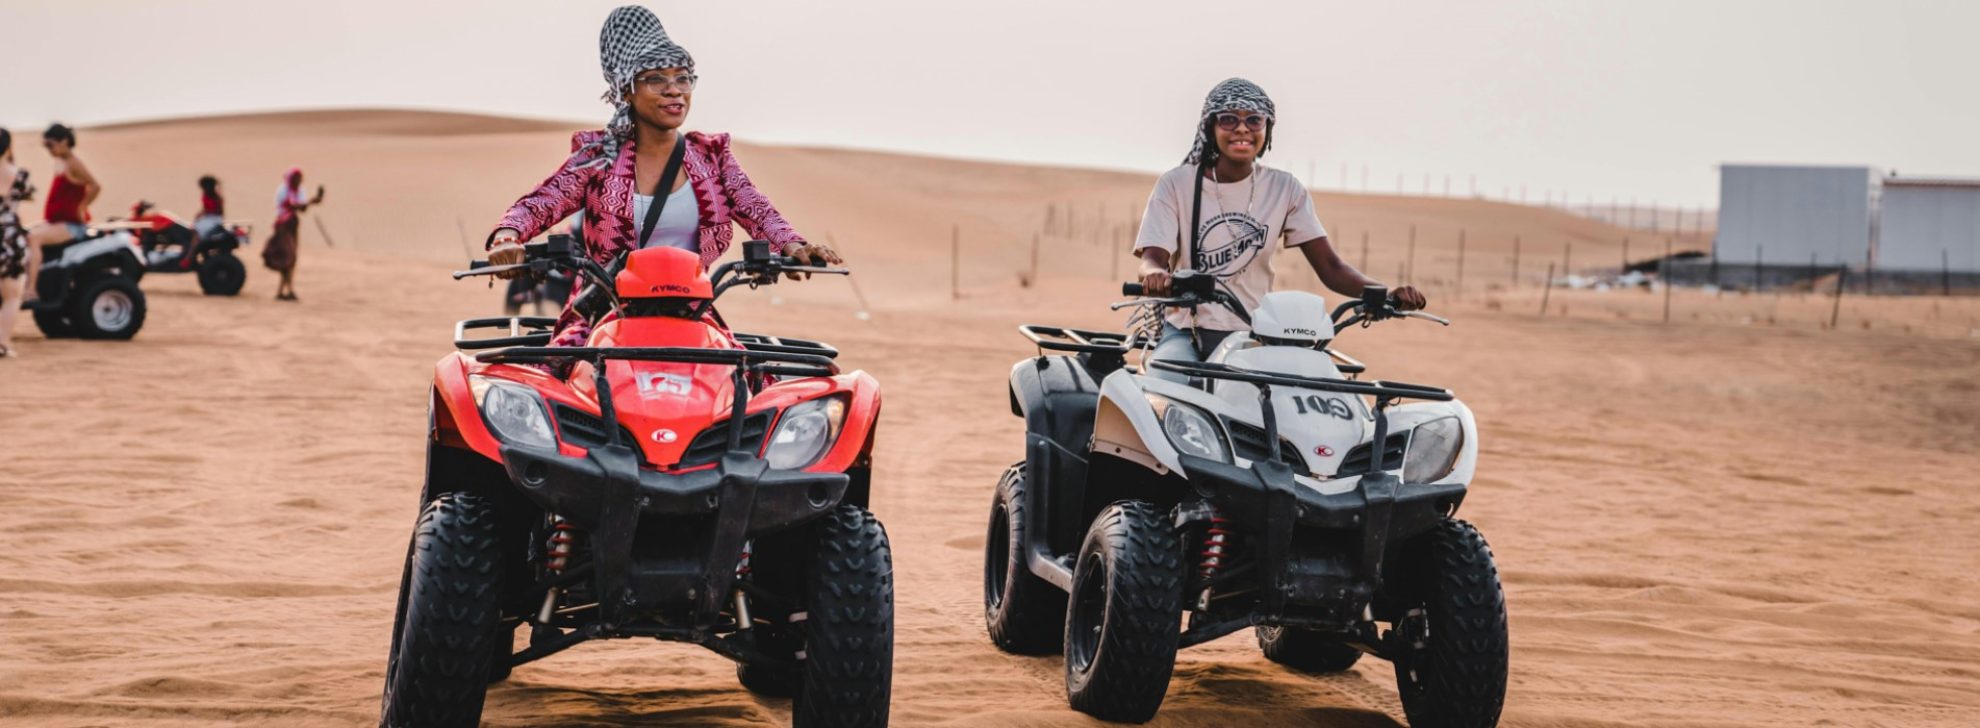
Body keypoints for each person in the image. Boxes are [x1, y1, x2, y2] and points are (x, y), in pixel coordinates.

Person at [487, 5, 839, 354]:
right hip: (605, 314)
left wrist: (794, 246)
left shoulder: (712, 157)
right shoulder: (597, 156)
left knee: (742, 385)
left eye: (683, 77)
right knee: (553, 382)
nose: (675, 90)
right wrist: (508, 237)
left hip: (692, 313)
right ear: (627, 90)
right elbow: (540, 203)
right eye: (656, 78)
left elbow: (759, 211)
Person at [1133, 78, 1425, 382]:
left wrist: (1384, 293)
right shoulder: (1177, 184)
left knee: (1293, 399)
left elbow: (1330, 267)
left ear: (1267, 130)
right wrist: (1155, 275)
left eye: (1254, 120)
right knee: (1166, 383)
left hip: (1254, 333)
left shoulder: (1284, 189)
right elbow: (1153, 257)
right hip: (1186, 330)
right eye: (1229, 119)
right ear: (1210, 127)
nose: (1243, 129)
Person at [24, 123, 100, 303]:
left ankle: (31, 290)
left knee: (34, 238)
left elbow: (95, 186)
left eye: (50, 145)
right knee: (25, 233)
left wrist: (82, 207)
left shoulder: (74, 163)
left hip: (72, 225)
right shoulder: (61, 162)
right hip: (57, 222)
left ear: (64, 141)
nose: (49, 150)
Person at [262, 167, 322, 301]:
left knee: (290, 259)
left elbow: (302, 208)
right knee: (287, 257)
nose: (299, 181)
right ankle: (287, 290)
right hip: (283, 226)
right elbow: (292, 206)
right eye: (297, 178)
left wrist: (312, 201)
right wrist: (311, 201)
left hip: (292, 225)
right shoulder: (283, 190)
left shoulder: (300, 191)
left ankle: (285, 290)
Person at [0, 130, 34, 358]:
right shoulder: (19, 175)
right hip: (9, 237)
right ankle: (2, 343)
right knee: (12, 295)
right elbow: (28, 195)